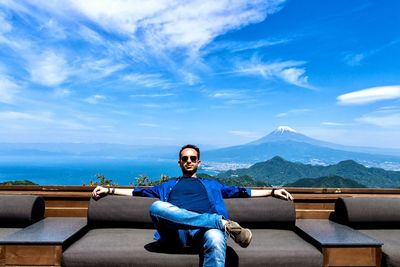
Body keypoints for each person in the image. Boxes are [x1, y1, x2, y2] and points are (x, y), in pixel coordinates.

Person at [92, 144, 293, 267]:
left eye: (193, 158)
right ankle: (221, 223)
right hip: (174, 233)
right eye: (185, 159)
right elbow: (136, 191)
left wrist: (273, 191)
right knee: (156, 207)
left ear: (198, 162)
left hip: (203, 233)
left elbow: (244, 191)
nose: (189, 161)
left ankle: (217, 225)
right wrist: (108, 190)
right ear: (179, 162)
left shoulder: (212, 185)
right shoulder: (168, 185)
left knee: (215, 237)